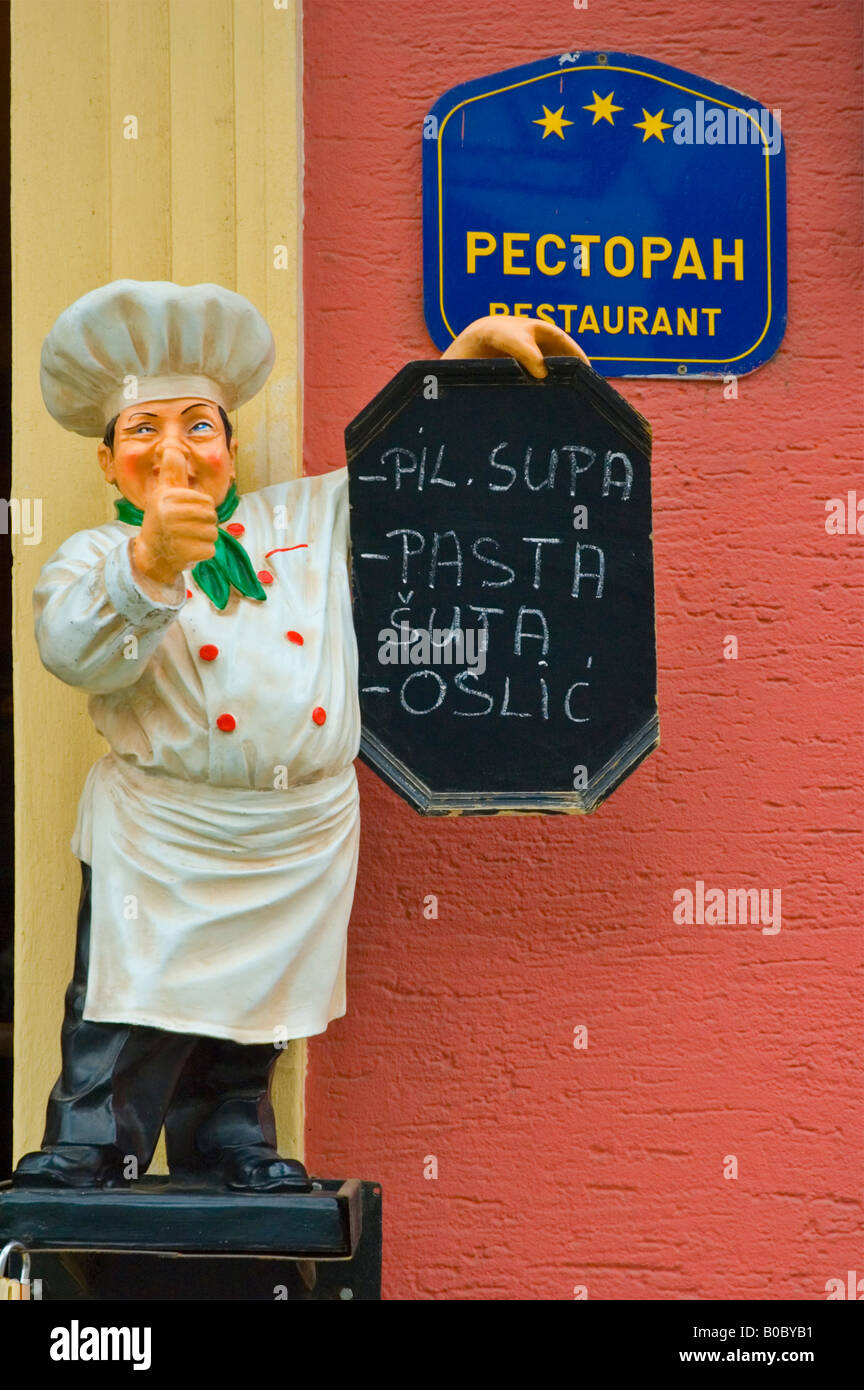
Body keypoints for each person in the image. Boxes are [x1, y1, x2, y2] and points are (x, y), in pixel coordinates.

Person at [12, 282, 586, 1191]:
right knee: (126, 1006)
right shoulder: (92, 557)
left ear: (232, 448)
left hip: (299, 834)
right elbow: (74, 651)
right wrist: (149, 563)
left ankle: (233, 1138)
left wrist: (463, 374)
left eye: (198, 426)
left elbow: (412, 479)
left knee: (259, 1017)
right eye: (144, 430)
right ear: (108, 463)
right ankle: (91, 1142)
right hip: (166, 832)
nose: (174, 449)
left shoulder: (304, 522)